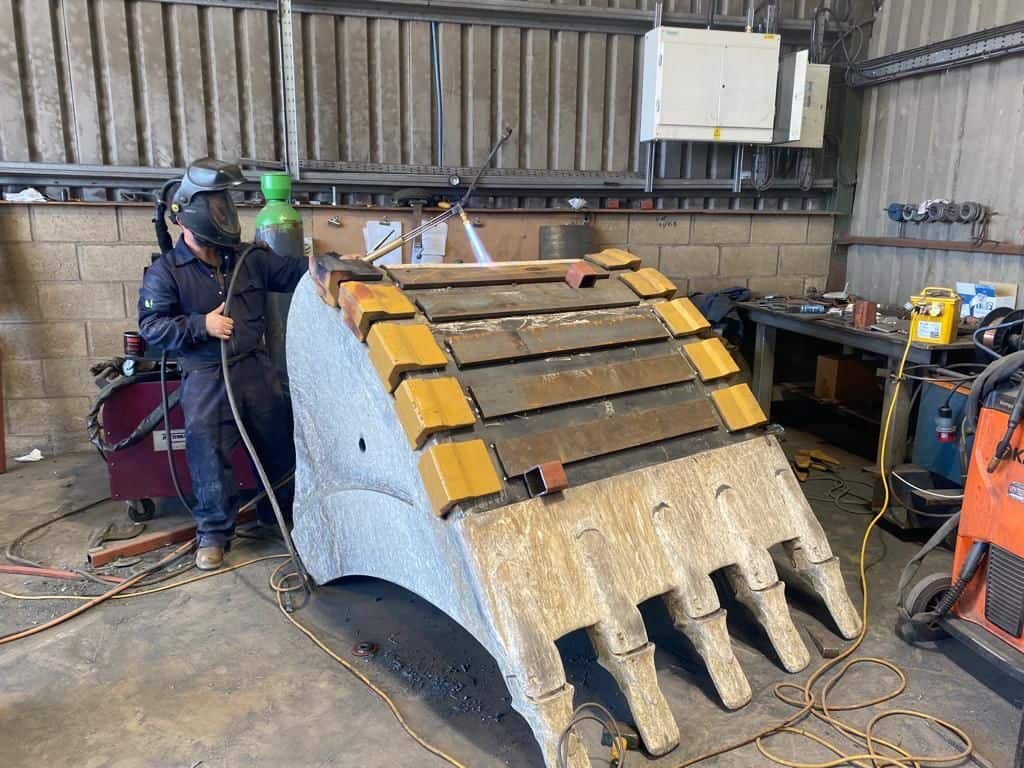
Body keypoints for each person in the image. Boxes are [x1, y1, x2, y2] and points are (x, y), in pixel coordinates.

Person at [138, 159, 306, 570]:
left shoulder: (247, 259)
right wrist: (201, 325)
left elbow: (293, 273)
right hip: (206, 376)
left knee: (279, 445)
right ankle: (214, 534)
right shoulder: (166, 273)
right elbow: (152, 327)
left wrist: (332, 265)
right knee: (209, 457)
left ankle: (283, 519)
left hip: (255, 368)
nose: (222, 216)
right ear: (188, 219)